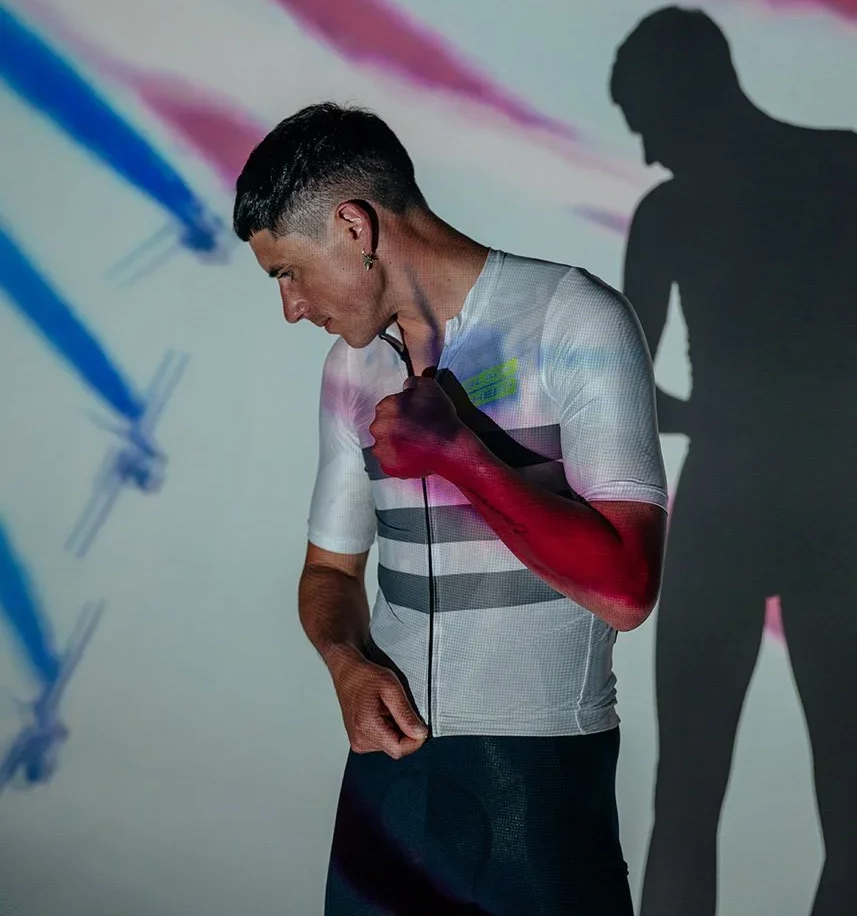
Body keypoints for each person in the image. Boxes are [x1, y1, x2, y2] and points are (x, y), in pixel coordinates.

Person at [233, 101, 669, 915]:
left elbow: (626, 592)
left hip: (536, 779)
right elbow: (328, 570)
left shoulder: (573, 320)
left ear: (354, 227)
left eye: (288, 271)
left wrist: (461, 457)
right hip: (388, 774)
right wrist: (345, 664)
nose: (291, 307)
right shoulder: (349, 370)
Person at [610, 7, 857, 916]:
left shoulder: (672, 212)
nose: (642, 150)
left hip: (731, 498)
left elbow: (622, 380)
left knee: (685, 798)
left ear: (687, 92)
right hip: (835, 501)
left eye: (644, 120)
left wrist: (708, 411)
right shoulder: (844, 167)